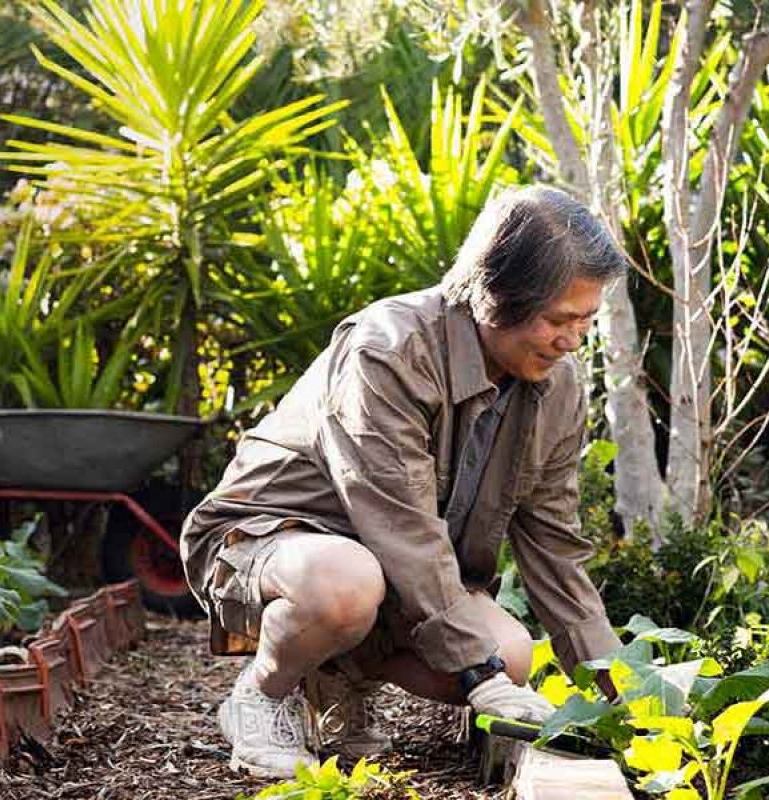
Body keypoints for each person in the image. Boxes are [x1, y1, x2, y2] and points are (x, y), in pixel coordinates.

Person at [180, 185, 626, 778]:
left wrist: (624, 693)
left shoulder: (557, 387)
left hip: (393, 568)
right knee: (345, 586)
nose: (572, 340)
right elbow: (401, 527)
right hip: (267, 544)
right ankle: (263, 694)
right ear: (495, 297)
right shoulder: (389, 351)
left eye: (586, 320)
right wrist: (477, 675)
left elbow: (556, 550)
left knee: (512, 654)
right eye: (557, 321)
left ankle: (337, 678)